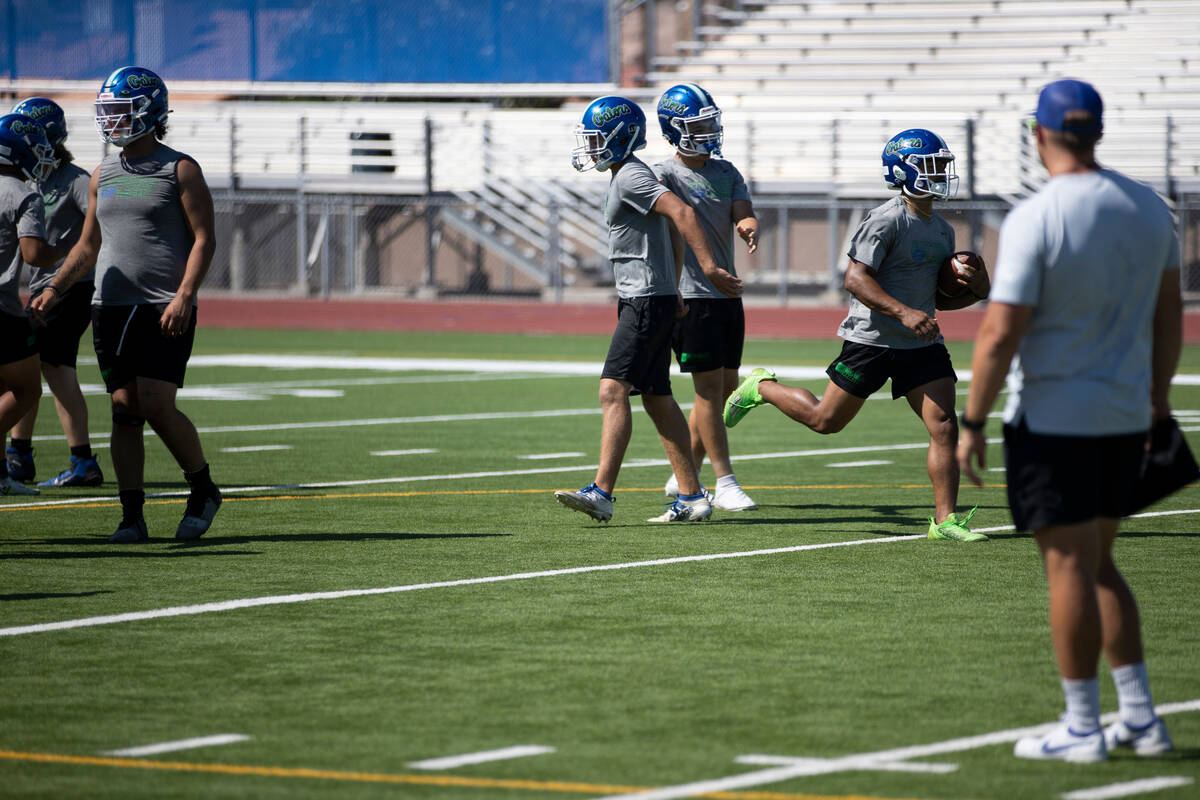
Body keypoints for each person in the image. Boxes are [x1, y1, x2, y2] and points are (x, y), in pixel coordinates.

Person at [957, 79, 1179, 762]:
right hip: (1123, 412)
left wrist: (971, 422)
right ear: (1098, 132)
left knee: (1069, 571)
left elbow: (999, 333)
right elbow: (1171, 316)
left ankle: (1083, 726)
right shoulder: (1150, 208)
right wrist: (1157, 399)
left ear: (1041, 135)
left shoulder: (1037, 215)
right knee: (1101, 563)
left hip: (1056, 415)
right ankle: (1139, 718)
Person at [724, 128, 990, 542]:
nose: (941, 174)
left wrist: (979, 285)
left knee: (943, 426)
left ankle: (945, 521)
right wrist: (903, 313)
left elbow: (941, 301)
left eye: (942, 166)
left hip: (921, 344)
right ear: (906, 172)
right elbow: (855, 278)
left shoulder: (942, 230)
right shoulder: (886, 219)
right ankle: (762, 386)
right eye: (932, 166)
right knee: (823, 421)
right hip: (872, 340)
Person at [29, 66, 221, 543]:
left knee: (157, 404)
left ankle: (202, 488)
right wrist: (55, 286)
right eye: (107, 113)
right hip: (109, 305)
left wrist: (185, 295)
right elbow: (87, 245)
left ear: (150, 112)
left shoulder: (180, 168)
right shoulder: (102, 173)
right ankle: (131, 516)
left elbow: (204, 240)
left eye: (120, 112)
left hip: (162, 305)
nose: (111, 122)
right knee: (124, 410)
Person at [555, 96, 742, 523]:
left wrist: (708, 268)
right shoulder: (633, 174)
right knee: (657, 398)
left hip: (642, 301)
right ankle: (692, 497)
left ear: (621, 137)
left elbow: (683, 213)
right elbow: (674, 227)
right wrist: (674, 284)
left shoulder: (631, 177)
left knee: (612, 390)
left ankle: (602, 491)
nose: (592, 146)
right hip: (650, 297)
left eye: (598, 138)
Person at [652, 84, 759, 512]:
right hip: (692, 294)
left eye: (710, 121)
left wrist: (748, 225)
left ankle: (684, 474)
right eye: (699, 124)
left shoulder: (726, 170)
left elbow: (743, 208)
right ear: (674, 130)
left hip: (726, 293)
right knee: (709, 392)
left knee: (725, 388)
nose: (710, 130)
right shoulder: (664, 174)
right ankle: (726, 481)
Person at [5, 97, 103, 488]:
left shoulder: (75, 181)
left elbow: (98, 231)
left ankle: (79, 461)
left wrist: (65, 265)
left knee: (50, 365)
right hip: (43, 289)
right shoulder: (28, 180)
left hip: (72, 288)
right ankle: (21, 454)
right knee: (33, 365)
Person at [0, 113, 60, 496]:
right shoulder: (22, 192)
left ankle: (2, 476)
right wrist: (72, 250)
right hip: (2, 311)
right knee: (26, 390)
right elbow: (34, 253)